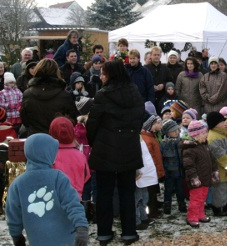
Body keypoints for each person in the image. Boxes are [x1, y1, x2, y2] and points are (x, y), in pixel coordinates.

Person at [86, 60, 144, 244]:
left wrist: (95, 142)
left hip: (106, 149)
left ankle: (104, 232)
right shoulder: (134, 92)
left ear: (111, 74)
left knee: (104, 193)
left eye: (104, 73)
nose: (101, 76)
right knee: (127, 192)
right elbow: (139, 118)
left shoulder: (103, 95)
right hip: (129, 147)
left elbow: (92, 123)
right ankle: (129, 231)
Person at [5, 133, 88, 246]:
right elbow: (72, 204)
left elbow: (13, 213)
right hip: (65, 238)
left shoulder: (18, 184)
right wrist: (81, 227)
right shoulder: (59, 178)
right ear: (48, 153)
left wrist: (16, 235)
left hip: (37, 239)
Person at [20, 59, 78, 136]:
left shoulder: (27, 94)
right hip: (58, 138)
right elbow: (72, 119)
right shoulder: (64, 95)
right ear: (56, 72)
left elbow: (25, 119)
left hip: (35, 137)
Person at [182, 120, 217, 227]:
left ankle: (200, 214)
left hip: (205, 178)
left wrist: (214, 171)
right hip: (196, 179)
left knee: (202, 198)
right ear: (196, 135)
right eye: (203, 133)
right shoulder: (189, 150)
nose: (206, 135)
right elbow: (189, 166)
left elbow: (212, 160)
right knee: (196, 199)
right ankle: (192, 217)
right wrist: (194, 178)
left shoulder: (204, 146)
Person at [49, 117, 91, 199]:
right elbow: (86, 177)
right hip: (76, 198)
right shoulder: (80, 155)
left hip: (55, 199)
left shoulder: (50, 156)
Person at [206, 112, 227, 216]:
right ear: (215, 124)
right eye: (222, 121)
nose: (225, 123)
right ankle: (219, 208)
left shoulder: (222, 134)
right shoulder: (213, 138)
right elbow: (220, 156)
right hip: (220, 170)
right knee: (220, 190)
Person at [140, 114, 164, 219]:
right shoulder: (146, 138)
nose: (160, 125)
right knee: (150, 192)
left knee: (154, 191)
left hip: (155, 168)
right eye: (157, 123)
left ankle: (154, 209)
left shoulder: (152, 136)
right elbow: (149, 155)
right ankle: (151, 211)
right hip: (151, 170)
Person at [160, 119, 187, 214]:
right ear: (167, 133)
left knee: (180, 189)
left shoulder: (181, 142)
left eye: (177, 130)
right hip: (169, 172)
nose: (176, 132)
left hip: (180, 171)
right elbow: (162, 158)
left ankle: (182, 204)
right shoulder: (164, 144)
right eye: (173, 131)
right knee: (168, 190)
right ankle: (167, 205)